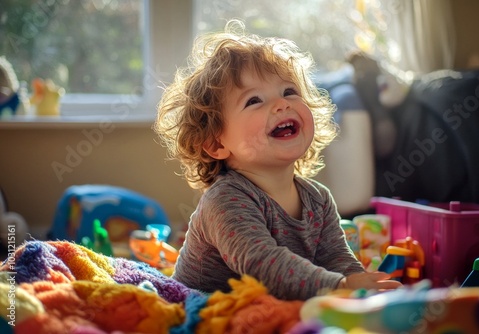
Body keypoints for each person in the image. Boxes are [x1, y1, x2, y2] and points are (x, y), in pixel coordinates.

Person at [154, 20, 401, 300]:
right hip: (206, 308)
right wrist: (339, 287)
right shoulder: (225, 200)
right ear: (215, 143)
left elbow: (336, 258)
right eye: (254, 100)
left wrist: (363, 290)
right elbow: (262, 263)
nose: (282, 104)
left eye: (289, 92)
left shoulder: (318, 199)